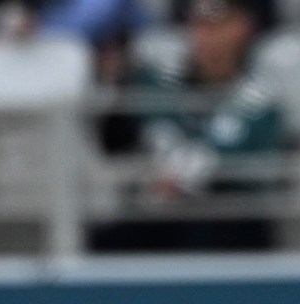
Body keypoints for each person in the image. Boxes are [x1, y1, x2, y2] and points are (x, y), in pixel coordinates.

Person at [95, 0, 288, 252]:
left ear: (243, 28)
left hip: (226, 220)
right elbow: (116, 141)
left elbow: (251, 172)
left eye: (217, 23)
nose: (205, 34)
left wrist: (184, 178)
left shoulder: (261, 100)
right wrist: (116, 81)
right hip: (158, 215)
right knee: (107, 239)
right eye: (198, 23)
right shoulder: (156, 83)